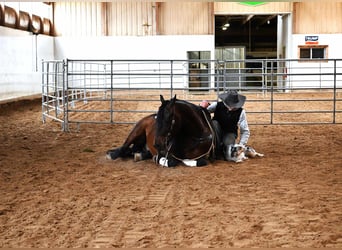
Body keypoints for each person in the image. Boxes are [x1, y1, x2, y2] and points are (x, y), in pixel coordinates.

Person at [200, 90, 250, 161]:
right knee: (214, 123)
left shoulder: (241, 112)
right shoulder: (216, 105)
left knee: (229, 155)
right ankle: (215, 149)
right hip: (216, 132)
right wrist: (202, 107)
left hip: (230, 133)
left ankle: (223, 149)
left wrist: (241, 145)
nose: (232, 107)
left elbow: (245, 131)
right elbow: (202, 112)